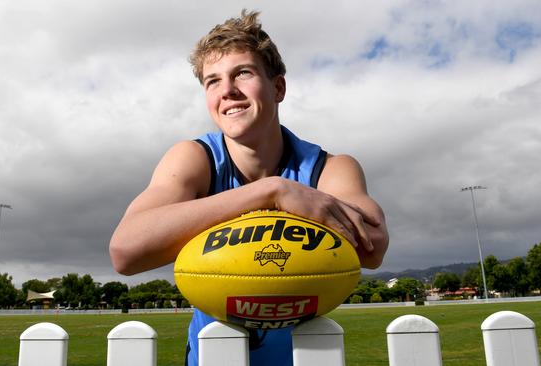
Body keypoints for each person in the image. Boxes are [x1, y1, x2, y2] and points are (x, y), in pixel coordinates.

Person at [109, 9, 389, 366]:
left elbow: (374, 247)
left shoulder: (329, 168)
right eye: (212, 81)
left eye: (243, 73)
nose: (227, 91)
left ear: (278, 87)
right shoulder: (195, 158)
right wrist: (268, 192)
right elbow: (125, 251)